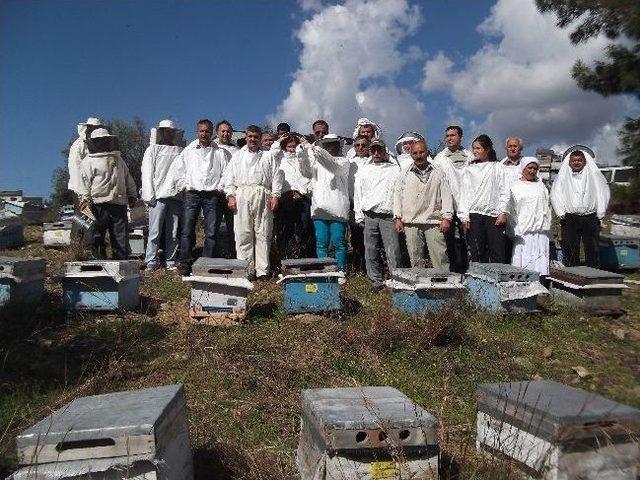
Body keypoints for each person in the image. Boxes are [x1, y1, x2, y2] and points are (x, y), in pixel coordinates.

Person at [222, 125, 283, 279]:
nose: (253, 139)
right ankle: (246, 270)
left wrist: (276, 195)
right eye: (250, 136)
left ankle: (262, 271)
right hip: (242, 194)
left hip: (263, 194)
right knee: (243, 233)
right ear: (246, 137)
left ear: (260, 139)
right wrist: (230, 195)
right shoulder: (237, 156)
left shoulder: (268, 156)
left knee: (263, 233)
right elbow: (229, 178)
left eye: (256, 137)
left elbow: (277, 176)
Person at [172, 119, 231, 275]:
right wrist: (184, 185)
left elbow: (226, 173)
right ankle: (185, 264)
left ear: (211, 133)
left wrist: (220, 188)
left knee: (211, 232)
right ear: (197, 132)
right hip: (192, 194)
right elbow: (178, 170)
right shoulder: (189, 150)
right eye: (201, 131)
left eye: (207, 131)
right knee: (186, 231)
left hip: (212, 195)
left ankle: (206, 265)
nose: (204, 134)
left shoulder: (219, 152)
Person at [393, 141, 453, 270]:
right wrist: (397, 217)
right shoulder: (404, 174)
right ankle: (420, 289)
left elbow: (446, 195)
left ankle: (443, 288)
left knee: (440, 257)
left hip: (434, 220)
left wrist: (447, 218)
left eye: (421, 152)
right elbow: (397, 196)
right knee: (415, 259)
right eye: (415, 153)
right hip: (411, 221)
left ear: (427, 152)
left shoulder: (438, 172)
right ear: (411, 154)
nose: (418, 155)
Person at [79, 128, 137, 259]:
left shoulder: (118, 159)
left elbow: (128, 178)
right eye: (99, 141)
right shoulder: (88, 161)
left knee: (120, 238)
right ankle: (97, 264)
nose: (102, 143)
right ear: (94, 143)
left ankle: (121, 265)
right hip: (98, 205)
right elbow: (84, 183)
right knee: (96, 236)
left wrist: (132, 195)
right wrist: (85, 199)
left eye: (104, 140)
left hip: (119, 204)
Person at [354, 139, 401, 290]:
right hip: (369, 215)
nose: (376, 153)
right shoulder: (364, 170)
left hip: (388, 215)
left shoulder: (394, 169)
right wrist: (358, 215)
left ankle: (396, 278)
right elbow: (358, 193)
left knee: (392, 249)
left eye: (379, 150)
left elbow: (399, 193)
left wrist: (398, 215)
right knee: (370, 249)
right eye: (373, 150)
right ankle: (375, 280)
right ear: (370, 151)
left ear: (384, 151)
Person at [298, 134, 350, 271]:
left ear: (339, 146)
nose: (330, 147)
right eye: (327, 145)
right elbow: (304, 172)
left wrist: (313, 148)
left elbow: (332, 165)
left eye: (333, 144)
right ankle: (324, 271)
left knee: (338, 242)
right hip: (319, 208)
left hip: (338, 209)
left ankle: (340, 271)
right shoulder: (317, 161)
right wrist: (303, 153)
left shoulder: (344, 162)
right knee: (321, 243)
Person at [550, 148, 610, 268]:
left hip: (591, 216)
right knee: (570, 247)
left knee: (592, 248)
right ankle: (572, 274)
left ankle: (593, 273)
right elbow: (555, 193)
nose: (576, 163)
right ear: (570, 162)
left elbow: (603, 191)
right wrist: (561, 212)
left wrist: (601, 212)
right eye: (574, 161)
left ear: (584, 161)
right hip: (570, 218)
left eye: (579, 160)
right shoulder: (563, 176)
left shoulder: (594, 175)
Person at [141, 120, 184, 271]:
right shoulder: (152, 150)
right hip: (158, 196)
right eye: (166, 131)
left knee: (173, 232)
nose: (169, 133)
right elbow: (147, 174)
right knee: (154, 231)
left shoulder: (180, 150)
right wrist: (149, 195)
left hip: (175, 197)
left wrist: (181, 193)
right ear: (161, 132)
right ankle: (151, 261)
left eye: (172, 131)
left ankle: (170, 261)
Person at [458, 134, 509, 263]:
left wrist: (503, 212)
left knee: (497, 251)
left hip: (494, 216)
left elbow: (505, 191)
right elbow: (464, 193)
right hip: (475, 215)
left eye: (478, 148)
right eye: (473, 148)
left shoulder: (498, 167)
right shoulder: (469, 169)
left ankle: (498, 281)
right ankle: (478, 280)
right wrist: (464, 216)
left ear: (487, 149)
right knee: (476, 252)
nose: (475, 151)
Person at [432, 125, 473, 272]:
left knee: (467, 240)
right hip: (447, 206)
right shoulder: (439, 159)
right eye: (447, 136)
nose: (449, 138)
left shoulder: (470, 157)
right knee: (449, 241)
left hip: (468, 205)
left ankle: (468, 271)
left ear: (460, 137)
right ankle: (453, 271)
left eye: (453, 135)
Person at [504, 157, 552, 275]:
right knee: (523, 259)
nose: (532, 171)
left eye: (535, 168)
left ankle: (540, 282)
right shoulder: (515, 186)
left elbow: (547, 206)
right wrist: (513, 228)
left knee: (539, 257)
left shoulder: (541, 186)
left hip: (540, 230)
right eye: (529, 168)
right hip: (523, 231)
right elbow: (511, 209)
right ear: (523, 168)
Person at [273, 134, 314, 259]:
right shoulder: (280, 158)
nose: (292, 149)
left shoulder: (301, 158)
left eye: (294, 146)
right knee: (286, 228)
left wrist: (305, 145)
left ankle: (303, 256)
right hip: (285, 198)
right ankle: (285, 256)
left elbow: (308, 171)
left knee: (304, 227)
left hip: (302, 197)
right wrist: (278, 141)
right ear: (284, 147)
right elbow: (272, 154)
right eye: (289, 146)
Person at [213, 119, 238, 258]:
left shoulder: (237, 151)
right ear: (217, 133)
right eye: (222, 131)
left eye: (228, 131)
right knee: (213, 227)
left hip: (232, 194)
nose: (225, 134)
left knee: (233, 227)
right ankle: (213, 256)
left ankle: (232, 255)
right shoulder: (211, 149)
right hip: (214, 193)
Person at [347, 135, 370, 272]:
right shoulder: (349, 162)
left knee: (372, 239)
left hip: (370, 206)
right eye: (357, 145)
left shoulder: (374, 161)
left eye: (363, 145)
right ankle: (359, 267)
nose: (360, 147)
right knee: (356, 237)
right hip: (353, 205)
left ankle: (373, 267)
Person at [500, 137, 525, 261]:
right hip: (505, 212)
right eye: (510, 146)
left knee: (522, 248)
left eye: (515, 146)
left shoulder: (528, 166)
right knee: (505, 246)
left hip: (523, 211)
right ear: (506, 148)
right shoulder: (500, 166)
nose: (512, 148)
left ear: (520, 148)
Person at [68, 117, 105, 198]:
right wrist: (83, 194)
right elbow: (75, 168)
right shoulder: (79, 146)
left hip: (92, 190)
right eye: (94, 128)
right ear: (88, 129)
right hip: (80, 190)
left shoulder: (92, 144)